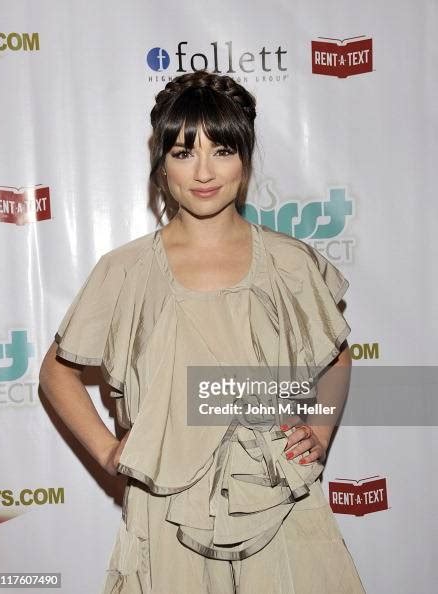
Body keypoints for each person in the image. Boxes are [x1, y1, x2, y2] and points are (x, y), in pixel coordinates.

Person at [39, 70, 366, 593]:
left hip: (279, 497)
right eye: (184, 152)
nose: (204, 171)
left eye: (222, 150)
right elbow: (56, 373)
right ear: (162, 164)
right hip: (166, 511)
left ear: (246, 157)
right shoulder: (124, 270)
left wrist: (320, 431)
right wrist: (107, 450)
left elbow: (338, 357)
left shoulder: (291, 263)